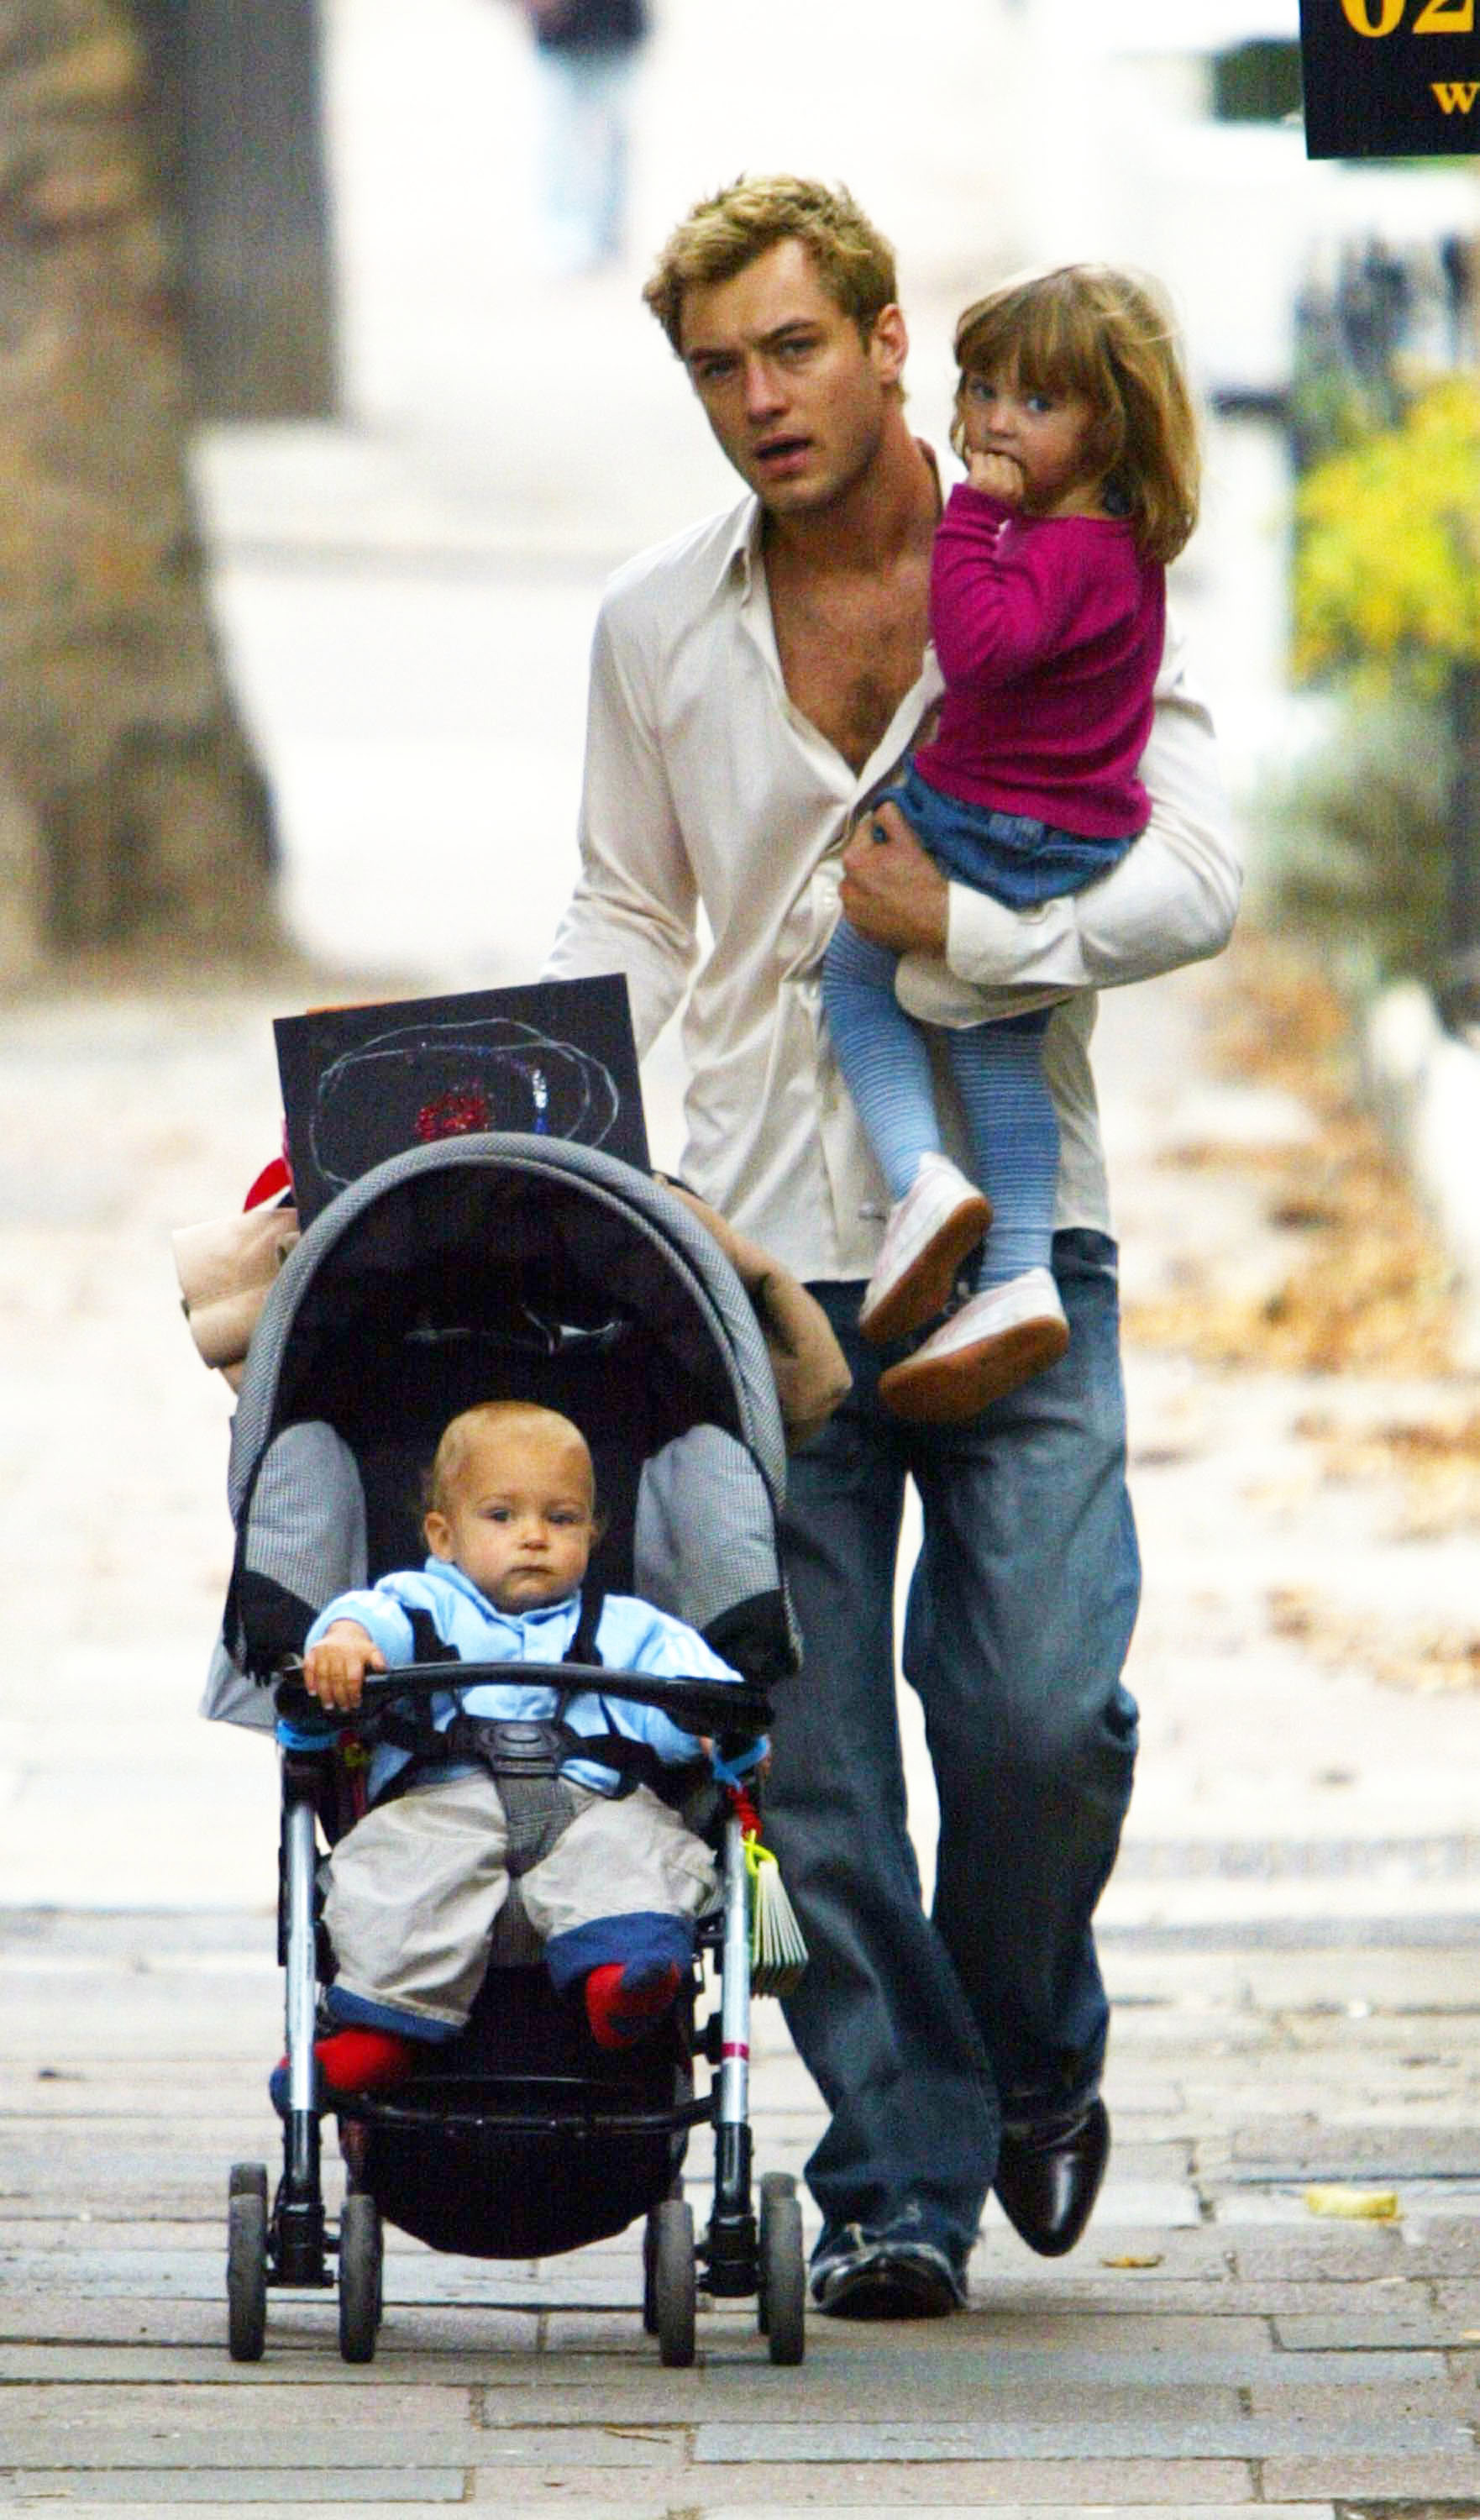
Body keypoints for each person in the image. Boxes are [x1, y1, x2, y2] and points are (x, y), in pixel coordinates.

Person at [544, 175, 1239, 2318]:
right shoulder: (653, 625)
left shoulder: (1055, 556)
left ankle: (1024, 2039)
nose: (755, 398)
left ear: (876, 337)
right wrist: (527, 1112)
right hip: (757, 1255)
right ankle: (898, 2171)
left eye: (788, 348)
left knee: (1038, 1707)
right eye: (713, 368)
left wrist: (980, 929)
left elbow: (1192, 869)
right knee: (812, 1751)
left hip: (1022, 1240)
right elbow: (625, 913)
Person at [821, 265, 1199, 1423]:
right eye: (982, 388)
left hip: (985, 823)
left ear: (1110, 423)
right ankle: (1022, 1274)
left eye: (1035, 405)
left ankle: (922, 1182)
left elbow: (981, 650)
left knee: (854, 974)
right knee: (1000, 1047)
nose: (992, 421)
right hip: (1072, 837)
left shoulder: (1043, 544)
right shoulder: (1128, 547)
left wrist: (973, 517)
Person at [276, 1399, 740, 2107]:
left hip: (593, 1799)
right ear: (443, 1534)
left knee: (636, 1847)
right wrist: (342, 1647)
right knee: (397, 1873)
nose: (533, 1537)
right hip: (444, 1804)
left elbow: (687, 1688)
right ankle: (386, 2031)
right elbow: (369, 1621)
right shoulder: (419, 1604)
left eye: (561, 1519)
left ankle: (623, 1983)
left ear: (594, 1531)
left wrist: (714, 1722)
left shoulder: (628, 1628)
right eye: (502, 1517)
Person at [517, 0, 649, 278]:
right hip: (562, 35)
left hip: (617, 28)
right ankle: (563, 238)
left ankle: (604, 237)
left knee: (611, 136)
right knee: (563, 138)